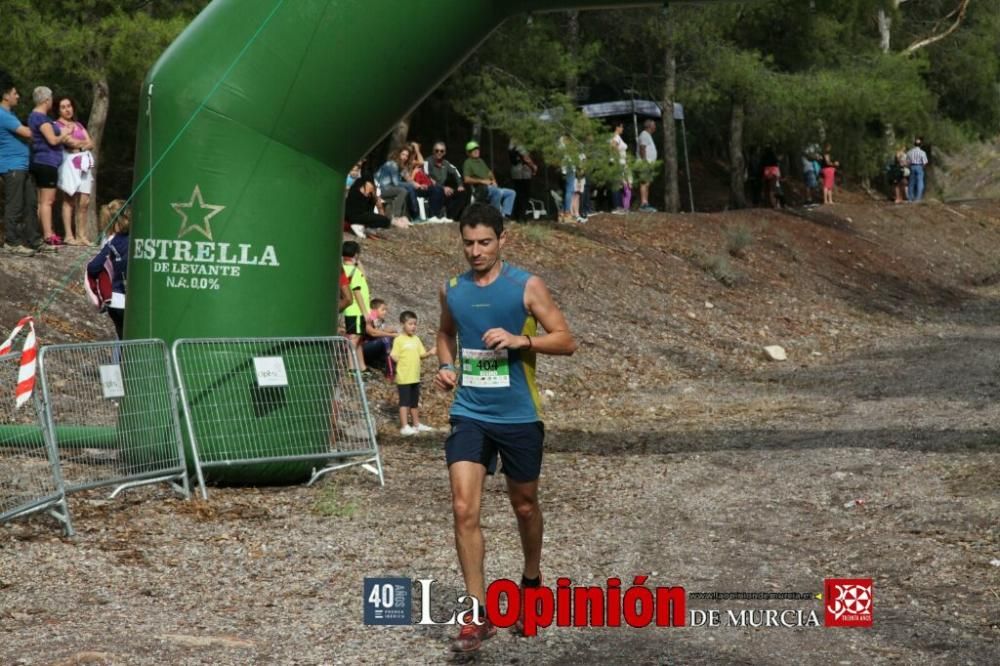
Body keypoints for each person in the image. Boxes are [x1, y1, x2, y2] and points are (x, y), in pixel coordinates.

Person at [434, 203, 577, 653]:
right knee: (463, 508)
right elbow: (444, 334)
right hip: (470, 411)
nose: (475, 251)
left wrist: (522, 340)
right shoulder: (453, 290)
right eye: (468, 243)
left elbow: (567, 340)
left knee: (525, 507)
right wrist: (444, 364)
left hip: (517, 415)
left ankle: (531, 582)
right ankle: (477, 615)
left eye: (484, 242)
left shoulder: (525, 286)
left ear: (502, 240)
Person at [0, 73, 53, 257]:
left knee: (30, 203)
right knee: (14, 205)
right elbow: (27, 133)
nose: (18, 96)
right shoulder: (2, 114)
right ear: (5, 95)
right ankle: (11, 241)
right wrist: (41, 123)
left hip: (22, 166)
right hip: (12, 166)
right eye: (15, 93)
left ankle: (34, 240)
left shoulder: (10, 114)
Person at [29, 86, 74, 246]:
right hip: (46, 162)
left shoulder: (35, 116)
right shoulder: (40, 118)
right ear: (46, 100)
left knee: (43, 201)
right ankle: (48, 235)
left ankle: (45, 233)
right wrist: (65, 132)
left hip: (43, 161)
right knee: (47, 201)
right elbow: (53, 140)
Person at [54, 96, 95, 246]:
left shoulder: (78, 124)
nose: (67, 109)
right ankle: (69, 235)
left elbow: (91, 142)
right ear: (58, 110)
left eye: (69, 106)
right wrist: (82, 144)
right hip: (69, 163)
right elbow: (68, 142)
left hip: (83, 163)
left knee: (85, 201)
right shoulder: (57, 125)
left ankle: (82, 235)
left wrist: (81, 145)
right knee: (68, 200)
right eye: (63, 107)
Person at [87, 200, 130, 340]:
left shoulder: (111, 241)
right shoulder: (135, 240)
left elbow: (93, 267)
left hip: (113, 300)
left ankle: (120, 361)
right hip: (129, 301)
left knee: (122, 336)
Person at [391, 310, 436, 436]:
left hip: (415, 377)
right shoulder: (399, 339)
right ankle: (404, 426)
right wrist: (401, 364)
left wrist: (430, 352)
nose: (413, 327)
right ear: (402, 324)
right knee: (404, 402)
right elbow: (393, 355)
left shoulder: (416, 339)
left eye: (415, 324)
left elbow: (421, 354)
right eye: (410, 324)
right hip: (404, 377)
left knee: (414, 403)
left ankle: (416, 424)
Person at [462, 141, 515, 219]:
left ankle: (504, 215)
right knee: (497, 192)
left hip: (491, 187)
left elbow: (489, 172)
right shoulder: (468, 163)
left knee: (511, 193)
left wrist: (494, 181)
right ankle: (495, 216)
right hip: (480, 189)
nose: (476, 151)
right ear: (468, 153)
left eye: (477, 149)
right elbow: (466, 179)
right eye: (473, 150)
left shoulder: (481, 161)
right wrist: (482, 181)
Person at [342, 240, 371, 372]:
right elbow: (357, 292)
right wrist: (365, 313)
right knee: (354, 340)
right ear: (356, 254)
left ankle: (362, 368)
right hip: (357, 311)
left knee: (359, 340)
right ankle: (351, 368)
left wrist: (358, 262)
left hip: (349, 311)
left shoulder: (344, 270)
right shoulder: (354, 272)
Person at [424, 141, 469, 221]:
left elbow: (455, 171)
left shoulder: (446, 163)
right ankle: (433, 216)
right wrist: (443, 188)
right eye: (437, 150)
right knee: (437, 190)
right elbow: (426, 177)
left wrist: (460, 185)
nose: (439, 153)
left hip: (442, 189)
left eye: (441, 151)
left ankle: (452, 217)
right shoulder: (428, 161)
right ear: (433, 151)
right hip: (429, 188)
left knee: (462, 193)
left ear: (444, 152)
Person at [373, 147, 413, 226]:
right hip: (380, 189)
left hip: (387, 188)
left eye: (406, 156)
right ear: (398, 155)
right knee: (403, 191)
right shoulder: (392, 164)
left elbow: (403, 179)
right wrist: (411, 185)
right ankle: (396, 217)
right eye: (403, 154)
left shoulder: (399, 165)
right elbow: (396, 183)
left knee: (404, 191)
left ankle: (403, 217)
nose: (404, 157)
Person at [361, 297, 398, 377]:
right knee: (386, 339)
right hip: (363, 350)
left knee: (393, 337)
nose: (385, 312)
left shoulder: (379, 320)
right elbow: (372, 333)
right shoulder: (369, 318)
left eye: (386, 310)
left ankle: (395, 364)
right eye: (383, 309)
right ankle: (390, 374)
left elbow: (379, 330)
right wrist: (390, 334)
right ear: (374, 310)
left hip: (373, 348)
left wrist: (391, 331)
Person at [507, 139, 537, 221]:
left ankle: (516, 215)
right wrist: (533, 167)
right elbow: (525, 157)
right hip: (523, 172)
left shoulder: (512, 142)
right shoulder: (519, 141)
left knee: (518, 193)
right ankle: (521, 216)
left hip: (515, 171)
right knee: (524, 195)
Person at [636, 119, 657, 212]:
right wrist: (644, 161)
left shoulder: (647, 135)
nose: (655, 127)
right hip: (645, 163)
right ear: (649, 126)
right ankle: (643, 204)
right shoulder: (644, 134)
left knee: (647, 183)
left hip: (648, 163)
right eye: (654, 125)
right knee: (644, 183)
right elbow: (642, 148)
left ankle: (646, 203)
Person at [610, 122, 631, 214]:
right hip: (617, 164)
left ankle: (620, 205)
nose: (623, 129)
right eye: (621, 127)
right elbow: (613, 147)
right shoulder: (615, 137)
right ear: (617, 127)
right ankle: (616, 206)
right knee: (616, 185)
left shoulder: (618, 137)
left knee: (620, 185)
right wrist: (618, 159)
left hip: (621, 164)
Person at [906, 137, 929, 203]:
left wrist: (909, 166)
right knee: (920, 182)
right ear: (920, 144)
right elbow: (925, 162)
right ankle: (917, 198)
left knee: (911, 183)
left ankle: (910, 198)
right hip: (919, 166)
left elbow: (907, 161)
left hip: (912, 166)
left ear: (914, 144)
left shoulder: (909, 152)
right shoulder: (922, 152)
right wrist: (922, 167)